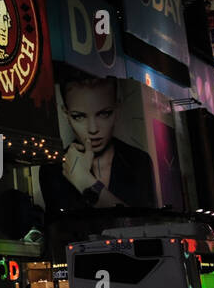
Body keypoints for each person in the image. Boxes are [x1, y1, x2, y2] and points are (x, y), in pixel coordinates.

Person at [39, 69, 157, 217]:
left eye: (104, 114)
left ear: (117, 109)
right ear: (66, 114)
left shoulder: (139, 161)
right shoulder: (53, 170)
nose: (93, 129)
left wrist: (86, 183)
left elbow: (146, 224)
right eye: (79, 117)